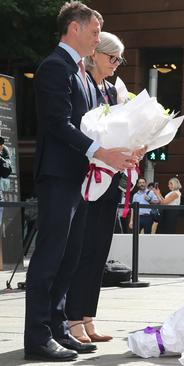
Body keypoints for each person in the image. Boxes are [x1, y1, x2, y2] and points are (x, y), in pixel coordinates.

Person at [26, 2, 135, 361]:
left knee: (69, 258)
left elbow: (93, 127)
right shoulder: (55, 67)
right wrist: (103, 154)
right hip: (58, 176)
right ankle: (38, 336)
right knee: (49, 259)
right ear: (74, 28)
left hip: (79, 180)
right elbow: (58, 124)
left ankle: (57, 328)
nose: (96, 40)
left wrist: (118, 150)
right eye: (93, 33)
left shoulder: (84, 75)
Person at [65, 31, 128, 344]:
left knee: (99, 250)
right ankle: (73, 318)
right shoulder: (84, 83)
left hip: (111, 177)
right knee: (82, 249)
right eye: (111, 57)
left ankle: (88, 317)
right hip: (88, 177)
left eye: (119, 58)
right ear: (95, 55)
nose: (116, 63)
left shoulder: (114, 89)